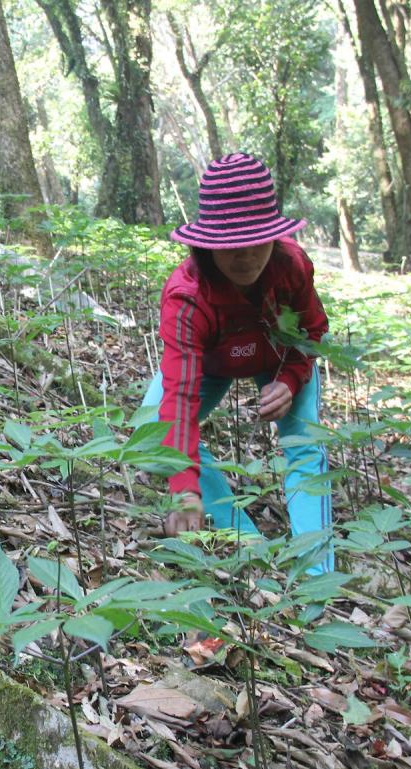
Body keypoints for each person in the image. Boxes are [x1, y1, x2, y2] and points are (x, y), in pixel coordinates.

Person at [144, 152, 334, 575]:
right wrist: (184, 491)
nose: (245, 256)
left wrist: (290, 378)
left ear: (275, 236)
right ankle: (249, 546)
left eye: (257, 240)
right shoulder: (188, 297)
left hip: (280, 353)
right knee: (150, 434)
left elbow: (315, 330)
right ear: (207, 244)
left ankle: (315, 579)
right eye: (231, 245)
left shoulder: (293, 266)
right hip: (212, 365)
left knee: (304, 448)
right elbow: (179, 399)